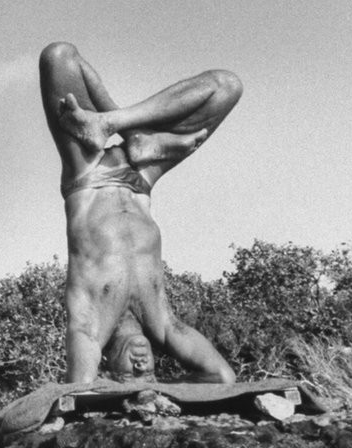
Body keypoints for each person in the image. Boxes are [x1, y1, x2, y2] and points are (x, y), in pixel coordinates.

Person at [39, 42, 241, 384]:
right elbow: (221, 377)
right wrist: (165, 390)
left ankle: (118, 125)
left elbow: (80, 391)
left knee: (59, 57)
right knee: (226, 86)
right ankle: (126, 127)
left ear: (109, 371)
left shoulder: (90, 328)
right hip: (141, 177)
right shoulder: (163, 324)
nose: (141, 366)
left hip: (87, 176)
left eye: (131, 374)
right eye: (149, 373)